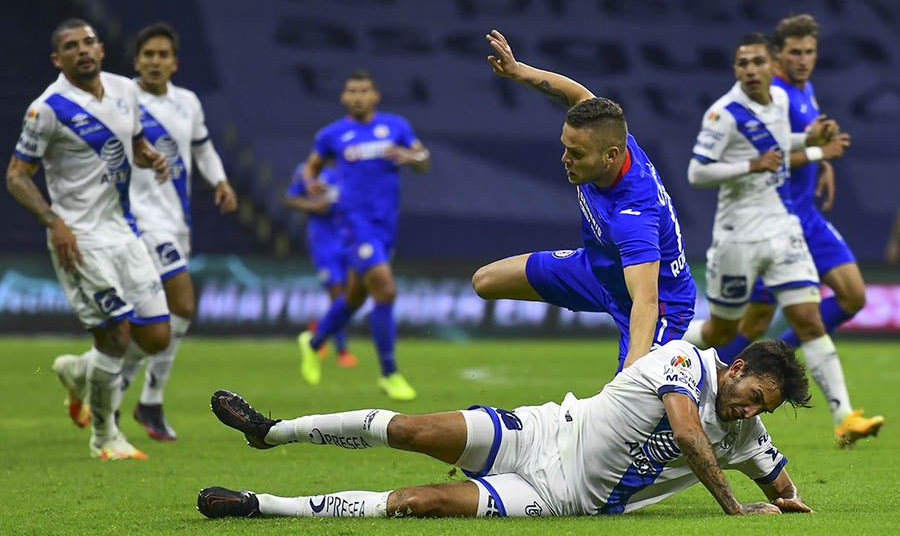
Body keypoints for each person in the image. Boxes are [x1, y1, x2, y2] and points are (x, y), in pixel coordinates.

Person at [197, 338, 813, 519]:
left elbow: (782, 485)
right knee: (411, 429)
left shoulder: (746, 433)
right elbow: (684, 432)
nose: (752, 413)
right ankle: (271, 431)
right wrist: (734, 508)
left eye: (765, 409)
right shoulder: (684, 360)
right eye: (753, 397)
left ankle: (259, 506)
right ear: (733, 370)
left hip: (556, 497)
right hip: (544, 433)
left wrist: (784, 499)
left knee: (417, 502)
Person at [682, 32, 880, 447]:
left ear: (772, 67)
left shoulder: (784, 102)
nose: (750, 71)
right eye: (742, 64)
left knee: (808, 319)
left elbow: (777, 143)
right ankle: (659, 355)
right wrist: (750, 165)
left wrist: (809, 142)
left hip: (782, 229)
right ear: (736, 68)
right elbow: (698, 173)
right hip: (738, 238)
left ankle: (845, 417)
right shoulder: (724, 114)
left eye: (757, 62)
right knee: (722, 331)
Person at [472, 30, 696, 372]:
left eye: (575, 153)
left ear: (610, 156)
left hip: (656, 302)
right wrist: (519, 71)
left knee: (629, 409)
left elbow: (647, 302)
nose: (564, 158)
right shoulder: (609, 135)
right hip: (596, 270)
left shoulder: (634, 215)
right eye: (565, 146)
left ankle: (696, 365)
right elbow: (578, 94)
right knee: (484, 282)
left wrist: (634, 370)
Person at [6, 18, 170, 460]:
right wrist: (52, 221)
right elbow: (17, 176)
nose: (83, 50)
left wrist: (150, 156)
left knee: (156, 335)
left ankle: (80, 372)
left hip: (123, 230)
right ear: (57, 59)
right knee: (115, 337)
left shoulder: (124, 91)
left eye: (90, 42)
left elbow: (133, 142)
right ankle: (104, 436)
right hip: (78, 238)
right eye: (72, 46)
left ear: (101, 49)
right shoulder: (48, 109)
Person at [113, 22, 238, 442]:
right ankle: (144, 397)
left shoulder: (188, 102)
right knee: (182, 304)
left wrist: (219, 180)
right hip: (138, 218)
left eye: (163, 54)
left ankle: (116, 387)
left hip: (176, 220)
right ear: (136, 61)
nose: (155, 61)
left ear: (174, 62)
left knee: (153, 323)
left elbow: (202, 147)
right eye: (148, 54)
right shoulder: (120, 98)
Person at [296, 69, 430, 400]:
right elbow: (311, 166)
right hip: (354, 223)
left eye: (363, 90)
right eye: (351, 90)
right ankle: (389, 373)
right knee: (384, 289)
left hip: (385, 224)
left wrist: (410, 156)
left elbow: (424, 159)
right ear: (344, 97)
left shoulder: (395, 126)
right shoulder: (332, 134)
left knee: (355, 296)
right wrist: (311, 181)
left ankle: (313, 342)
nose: (357, 96)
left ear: (375, 96)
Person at [284, 159, 356, 367]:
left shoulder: (350, 168)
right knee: (337, 293)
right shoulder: (308, 171)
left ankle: (319, 332)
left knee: (349, 294)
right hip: (323, 241)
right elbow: (290, 198)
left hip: (347, 237)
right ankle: (341, 351)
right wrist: (313, 206)